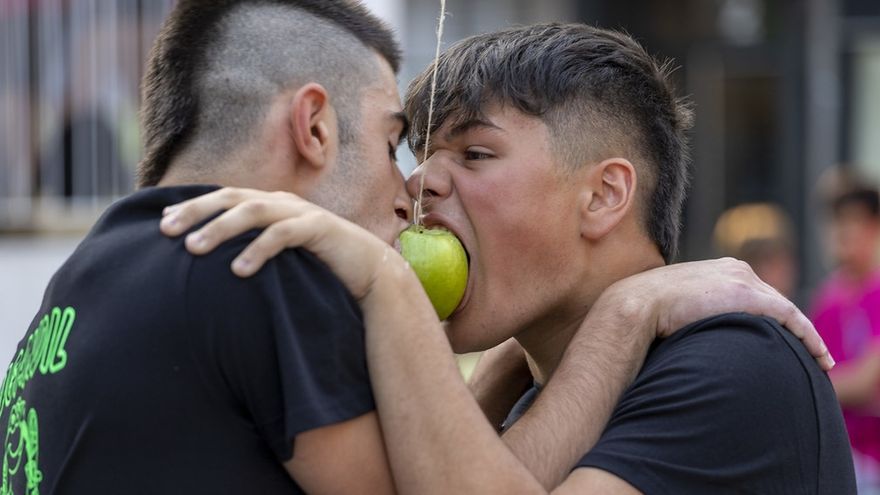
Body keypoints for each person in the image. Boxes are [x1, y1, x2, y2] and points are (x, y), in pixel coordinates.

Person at [0, 2, 819, 493]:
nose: (417, 184)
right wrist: (627, 308)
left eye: (473, 153)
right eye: (407, 147)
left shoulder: (731, 365)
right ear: (312, 126)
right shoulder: (264, 270)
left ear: (605, 193)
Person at [810, 177, 880, 493]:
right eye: (836, 222)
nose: (841, 233)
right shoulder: (827, 299)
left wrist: (825, 388)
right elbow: (811, 378)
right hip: (837, 458)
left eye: (853, 221)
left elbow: (866, 384)